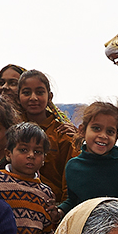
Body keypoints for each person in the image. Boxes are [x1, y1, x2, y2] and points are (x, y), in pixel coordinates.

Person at [61, 102, 118, 214]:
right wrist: (60, 210)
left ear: (116, 137)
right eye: (96, 128)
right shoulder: (73, 167)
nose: (103, 136)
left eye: (110, 132)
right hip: (85, 229)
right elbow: (73, 201)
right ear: (82, 130)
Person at [15, 69, 75, 201]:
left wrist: (63, 209)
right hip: (16, 199)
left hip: (52, 205)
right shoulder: (12, 130)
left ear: (50, 97)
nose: (33, 98)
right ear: (18, 97)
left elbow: (69, 180)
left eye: (40, 92)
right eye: (26, 93)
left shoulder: (62, 133)